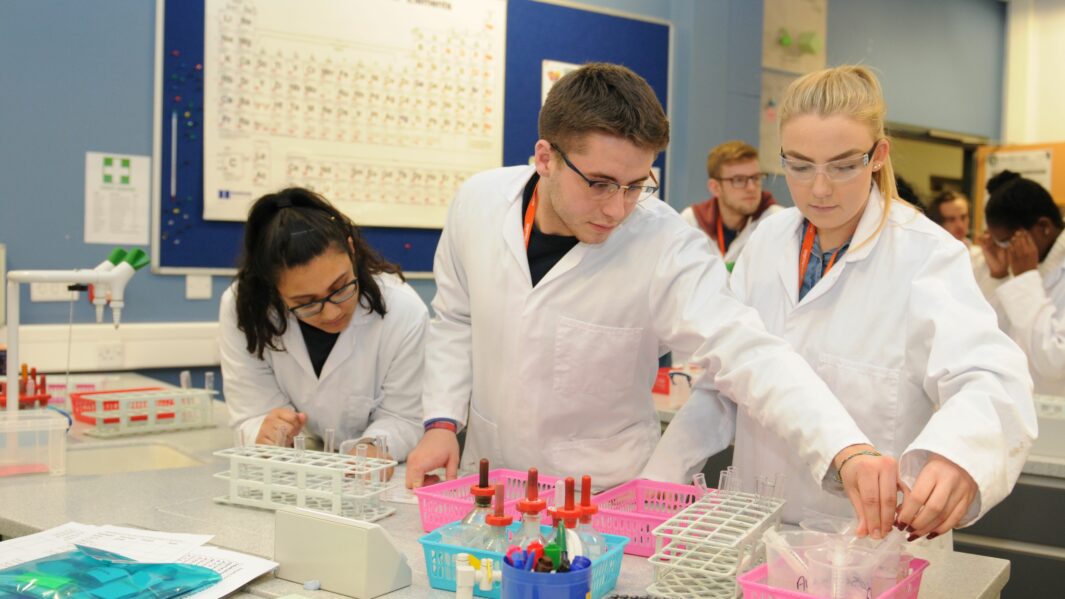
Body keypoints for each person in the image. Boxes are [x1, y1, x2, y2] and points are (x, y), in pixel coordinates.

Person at [407, 62, 903, 540]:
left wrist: (845, 449)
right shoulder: (478, 202)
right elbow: (454, 318)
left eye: (636, 185)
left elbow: (748, 351)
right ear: (546, 157)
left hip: (606, 503)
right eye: (599, 183)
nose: (617, 208)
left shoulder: (666, 243)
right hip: (489, 484)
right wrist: (442, 423)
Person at [653, 65, 1035, 543]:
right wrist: (653, 490)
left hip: (868, 548)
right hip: (759, 534)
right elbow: (725, 385)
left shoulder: (926, 255)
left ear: (878, 156)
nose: (819, 188)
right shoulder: (768, 241)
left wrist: (960, 454)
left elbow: (992, 378)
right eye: (799, 164)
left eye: (841, 165)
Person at [219, 187, 428, 464]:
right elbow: (251, 412)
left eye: (340, 287)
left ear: (351, 250)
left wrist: (373, 447)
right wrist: (265, 432)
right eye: (306, 302)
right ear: (272, 288)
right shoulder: (245, 309)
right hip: (299, 471)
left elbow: (404, 416)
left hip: (371, 478)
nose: (331, 313)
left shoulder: (402, 310)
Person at [976, 171, 1065, 394]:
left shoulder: (1031, 271)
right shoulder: (1034, 266)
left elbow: (1055, 360)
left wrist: (1025, 278)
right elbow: (998, 340)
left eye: (1008, 242)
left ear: (1043, 227)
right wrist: (1000, 277)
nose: (1007, 251)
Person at [680, 141, 781, 269]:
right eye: (739, 180)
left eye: (756, 178)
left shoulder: (777, 222)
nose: (751, 188)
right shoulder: (691, 222)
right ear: (715, 187)